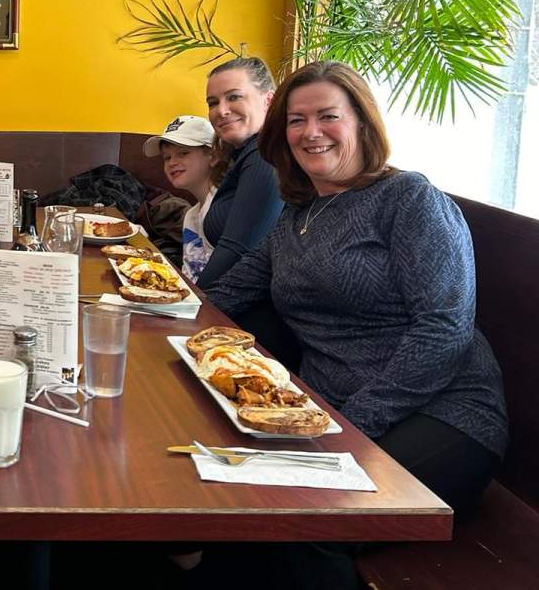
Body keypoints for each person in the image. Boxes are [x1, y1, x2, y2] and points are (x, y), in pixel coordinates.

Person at [205, 61, 508, 588]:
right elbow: (226, 295)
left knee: (307, 521)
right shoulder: (297, 215)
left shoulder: (408, 198)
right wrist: (121, 306)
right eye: (296, 120)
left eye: (328, 116)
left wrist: (349, 425)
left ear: (363, 123)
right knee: (238, 504)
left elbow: (444, 328)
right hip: (336, 412)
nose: (311, 132)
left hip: (443, 414)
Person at [196, 56, 283, 288]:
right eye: (213, 103)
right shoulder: (245, 155)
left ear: (269, 100)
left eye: (234, 97)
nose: (221, 110)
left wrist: (193, 301)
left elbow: (237, 250)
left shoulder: (265, 155)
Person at [143, 114, 218, 282]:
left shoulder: (221, 209)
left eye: (183, 153)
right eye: (167, 157)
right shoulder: (191, 216)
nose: (172, 163)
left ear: (213, 156)